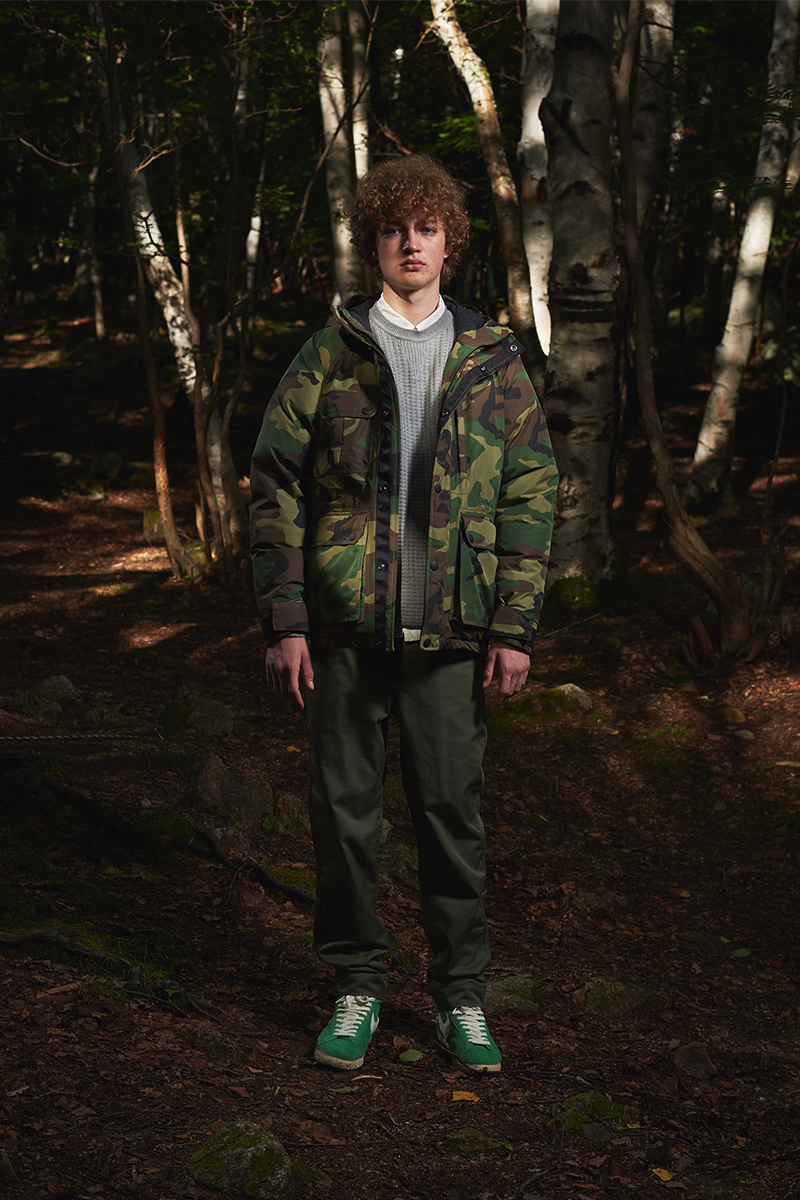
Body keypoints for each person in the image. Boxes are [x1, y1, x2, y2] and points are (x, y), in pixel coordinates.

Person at [250, 155, 558, 1074]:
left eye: (426, 228)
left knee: (451, 818)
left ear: (449, 242)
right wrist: (286, 619)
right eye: (394, 229)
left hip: (453, 633)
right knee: (345, 818)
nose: (410, 243)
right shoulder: (331, 350)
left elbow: (531, 491)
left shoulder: (494, 358)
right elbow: (275, 482)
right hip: (344, 630)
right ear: (374, 243)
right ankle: (356, 985)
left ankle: (461, 996)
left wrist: (515, 626)